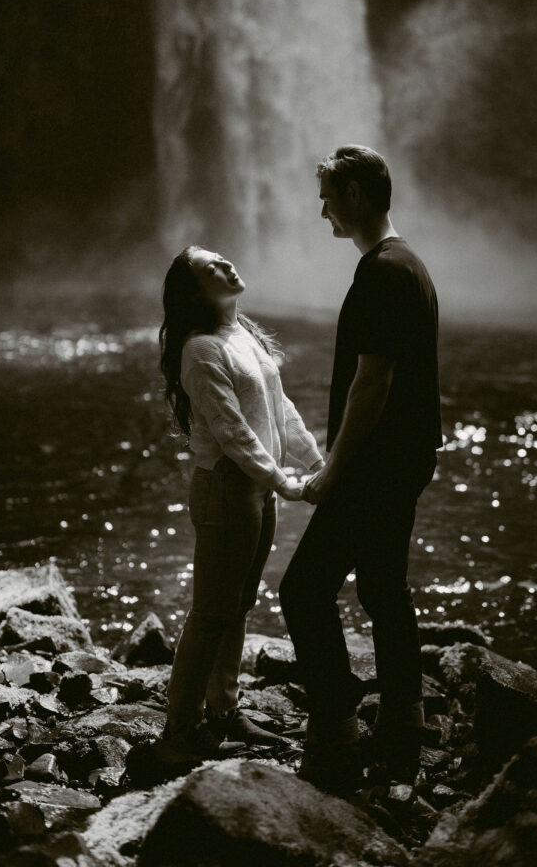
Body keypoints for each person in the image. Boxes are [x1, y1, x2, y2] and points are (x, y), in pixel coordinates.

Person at [279, 145, 442, 794]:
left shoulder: (381, 273)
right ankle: (404, 724)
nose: (322, 212)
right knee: (381, 589)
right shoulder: (412, 266)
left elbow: (371, 384)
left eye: (327, 198)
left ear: (352, 194)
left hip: (374, 467)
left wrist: (330, 473)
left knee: (303, 589)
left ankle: (336, 729)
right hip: (406, 458)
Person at [156, 245, 324, 765]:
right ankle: (181, 730)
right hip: (228, 489)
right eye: (212, 268)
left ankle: (224, 713)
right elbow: (233, 434)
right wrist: (288, 483)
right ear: (195, 292)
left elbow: (280, 408)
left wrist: (317, 461)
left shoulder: (243, 336)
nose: (228, 265)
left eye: (224, 260)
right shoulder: (201, 349)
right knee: (210, 613)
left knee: (238, 607)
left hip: (254, 489)